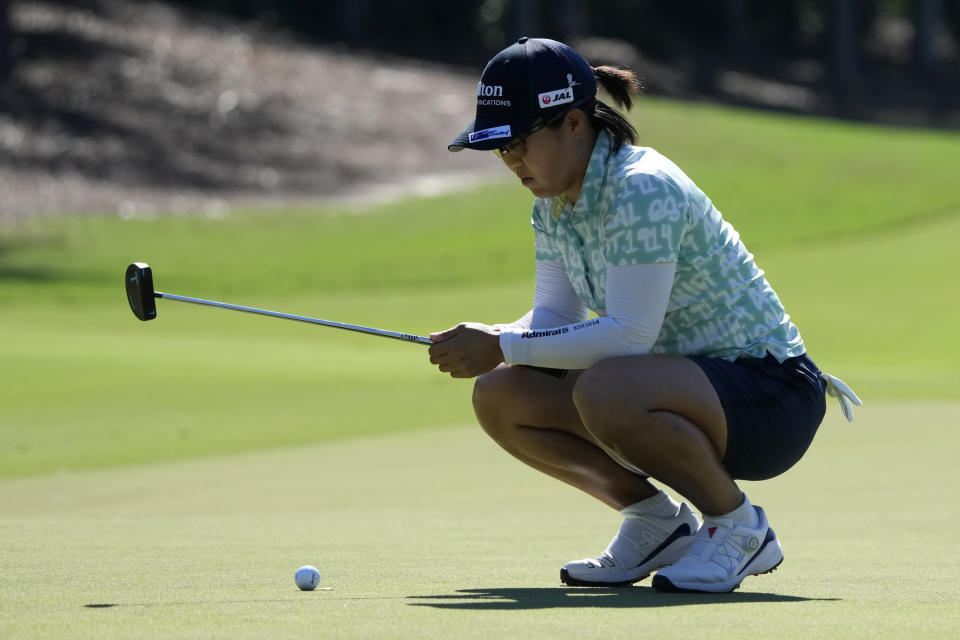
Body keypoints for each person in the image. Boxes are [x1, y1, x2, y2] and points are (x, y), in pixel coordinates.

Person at [428, 37, 861, 593]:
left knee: (607, 387)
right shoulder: (552, 205)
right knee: (501, 391)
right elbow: (554, 317)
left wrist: (503, 344)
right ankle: (658, 524)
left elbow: (629, 335)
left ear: (575, 124)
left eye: (520, 141)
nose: (511, 160)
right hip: (676, 389)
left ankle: (739, 528)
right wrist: (491, 340)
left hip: (769, 394)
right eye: (499, 148)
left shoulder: (641, 188)